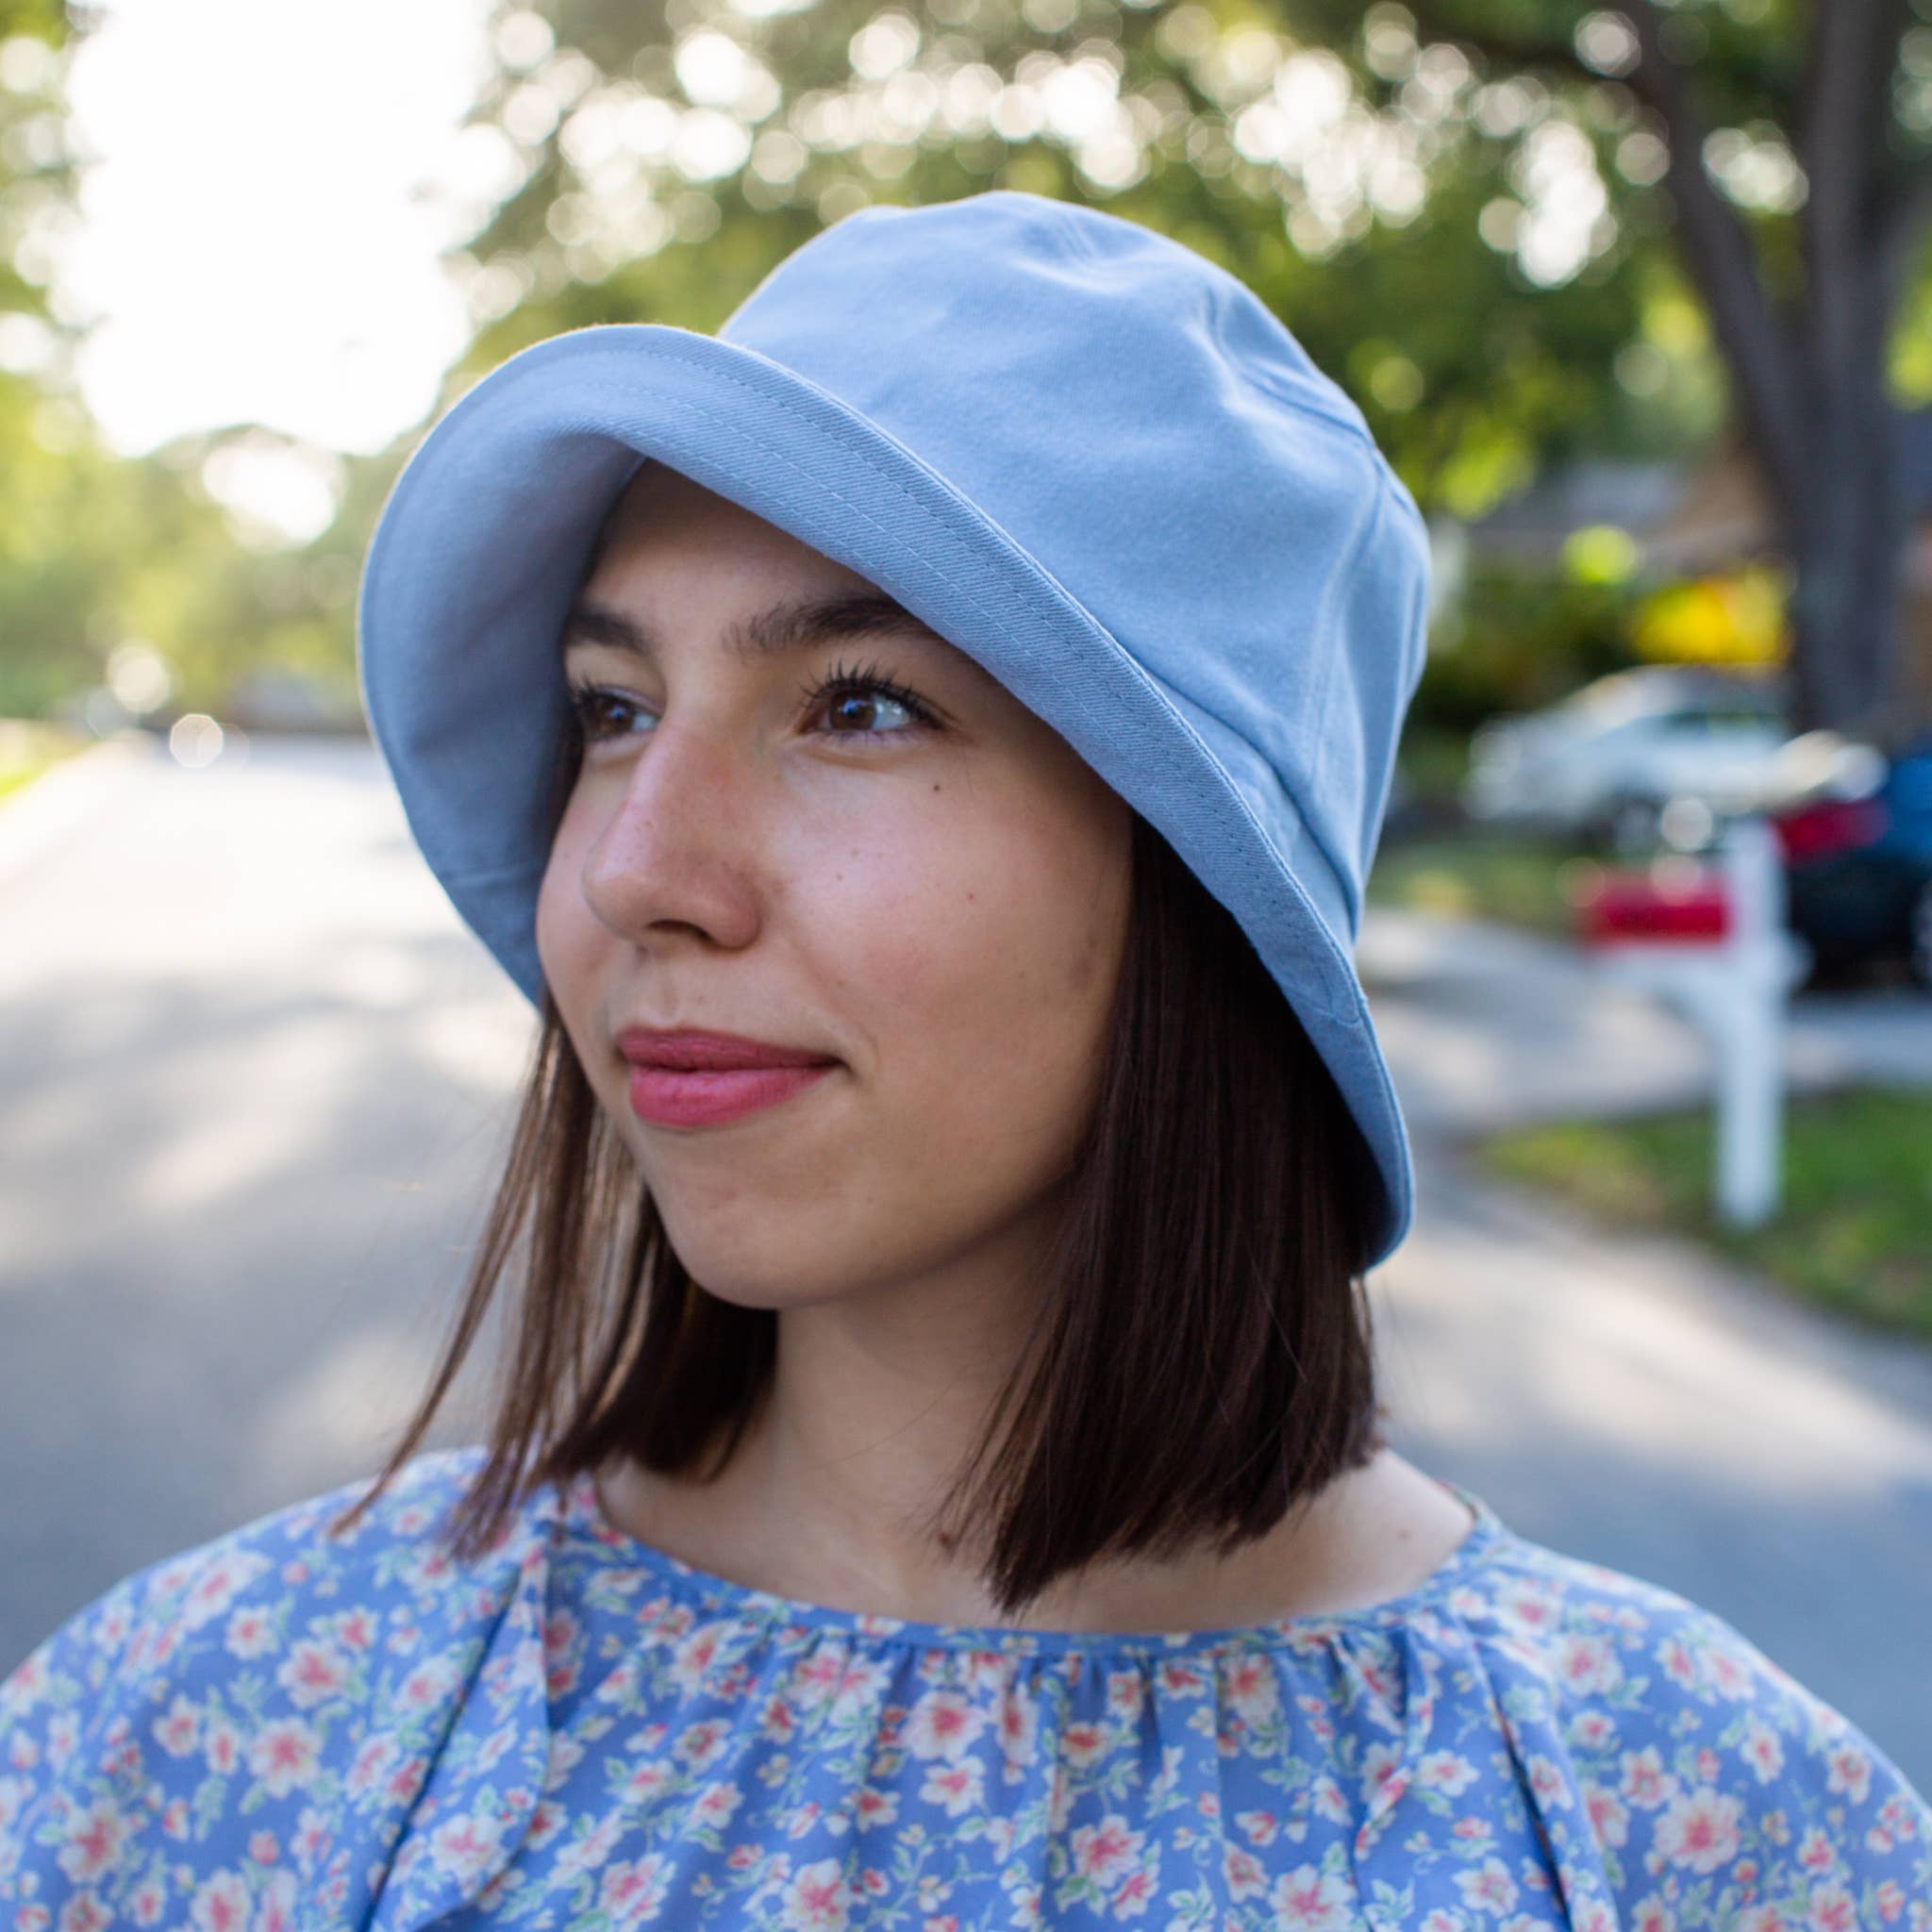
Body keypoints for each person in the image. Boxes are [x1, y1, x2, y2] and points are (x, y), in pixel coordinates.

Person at [4, 191, 1927, 1932]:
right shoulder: (216, 1744)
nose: (631, 870)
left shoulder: (1691, 1836)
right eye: (611, 707)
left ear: (1196, 876)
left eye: (855, 704)